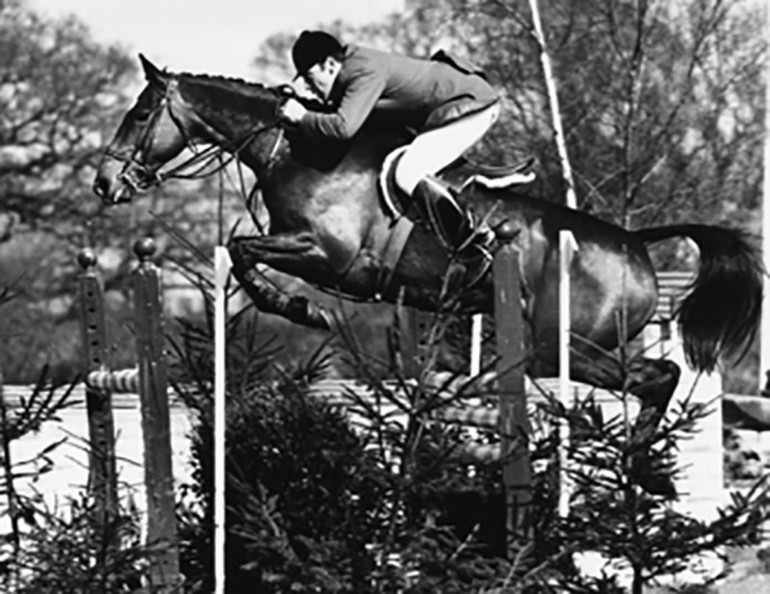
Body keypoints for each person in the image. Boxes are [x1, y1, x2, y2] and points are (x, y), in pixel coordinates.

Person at [279, 30, 501, 240]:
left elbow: (343, 127)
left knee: (407, 173)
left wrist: (303, 117)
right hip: (448, 108)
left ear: (329, 64)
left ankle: (475, 237)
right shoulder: (350, 71)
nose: (309, 88)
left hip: (471, 104)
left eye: (309, 78)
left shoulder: (361, 71)